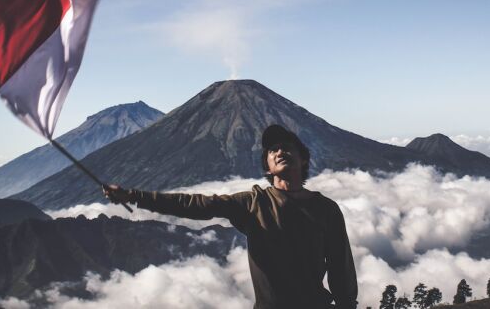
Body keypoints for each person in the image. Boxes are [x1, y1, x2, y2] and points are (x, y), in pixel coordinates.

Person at [103, 124, 358, 309]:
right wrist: (134, 195)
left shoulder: (326, 209)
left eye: (287, 147)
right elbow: (196, 205)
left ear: (303, 159)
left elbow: (341, 267)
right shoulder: (253, 203)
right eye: (272, 150)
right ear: (267, 168)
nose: (279, 151)